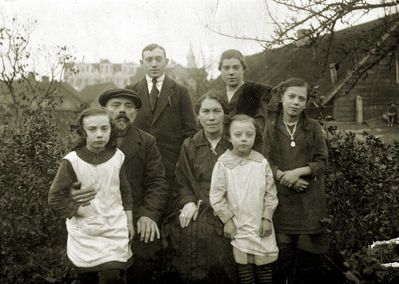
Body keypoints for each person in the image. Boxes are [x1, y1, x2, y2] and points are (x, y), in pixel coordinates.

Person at [69, 89, 169, 283]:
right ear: (105, 110)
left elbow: (158, 182)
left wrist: (149, 215)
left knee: (142, 263)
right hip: (96, 218)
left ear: (135, 113)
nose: (122, 110)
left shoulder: (147, 142)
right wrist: (74, 196)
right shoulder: (88, 142)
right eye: (116, 105)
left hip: (137, 217)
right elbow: (71, 180)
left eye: (128, 106)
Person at [48, 107, 134, 284]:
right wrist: (79, 210)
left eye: (104, 128)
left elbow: (124, 191)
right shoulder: (72, 161)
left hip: (114, 227)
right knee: (88, 277)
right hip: (85, 231)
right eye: (92, 130)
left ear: (111, 129)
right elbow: (55, 198)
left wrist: (129, 221)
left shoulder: (118, 157)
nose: (99, 135)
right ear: (83, 132)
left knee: (112, 275)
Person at [164, 91, 238, 283]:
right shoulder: (190, 145)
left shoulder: (236, 143)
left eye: (216, 111)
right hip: (198, 205)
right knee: (185, 232)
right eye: (205, 111)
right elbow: (182, 180)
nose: (211, 117)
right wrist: (188, 202)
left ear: (225, 114)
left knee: (219, 247)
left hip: (231, 207)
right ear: (198, 116)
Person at [262, 78, 329, 283]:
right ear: (281, 98)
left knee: (308, 265)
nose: (296, 102)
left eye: (301, 98)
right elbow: (265, 162)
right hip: (282, 204)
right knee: (283, 261)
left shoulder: (313, 128)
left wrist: (298, 173)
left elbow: (322, 161)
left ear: (306, 102)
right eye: (291, 96)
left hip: (309, 202)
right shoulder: (271, 129)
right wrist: (284, 177)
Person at [210, 114, 278, 284]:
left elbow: (270, 194)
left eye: (249, 135)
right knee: (245, 267)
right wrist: (227, 220)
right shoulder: (223, 163)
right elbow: (216, 196)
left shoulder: (261, 162)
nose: (244, 139)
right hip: (238, 224)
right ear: (229, 137)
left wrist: (267, 218)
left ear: (256, 136)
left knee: (264, 267)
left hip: (260, 223)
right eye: (238, 135)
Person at [127, 43, 197, 184]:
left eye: (158, 59)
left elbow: (190, 131)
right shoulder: (131, 92)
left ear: (167, 62)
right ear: (142, 63)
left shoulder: (181, 92)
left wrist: (181, 162)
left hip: (172, 167)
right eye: (149, 60)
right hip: (139, 167)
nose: (154, 64)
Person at [217, 49, 272, 134]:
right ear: (220, 70)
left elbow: (264, 126)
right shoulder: (216, 97)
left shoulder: (258, 92)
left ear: (243, 69)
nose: (231, 72)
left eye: (236, 67)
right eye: (226, 68)